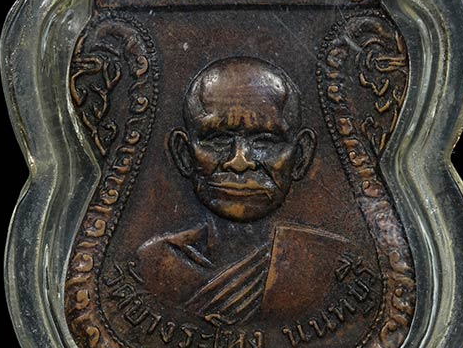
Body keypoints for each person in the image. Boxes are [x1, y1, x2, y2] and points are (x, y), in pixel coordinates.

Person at [135, 57, 361, 326]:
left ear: (300, 156)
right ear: (184, 154)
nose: (239, 161)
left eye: (265, 141)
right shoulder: (154, 263)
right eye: (218, 139)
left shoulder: (328, 263)